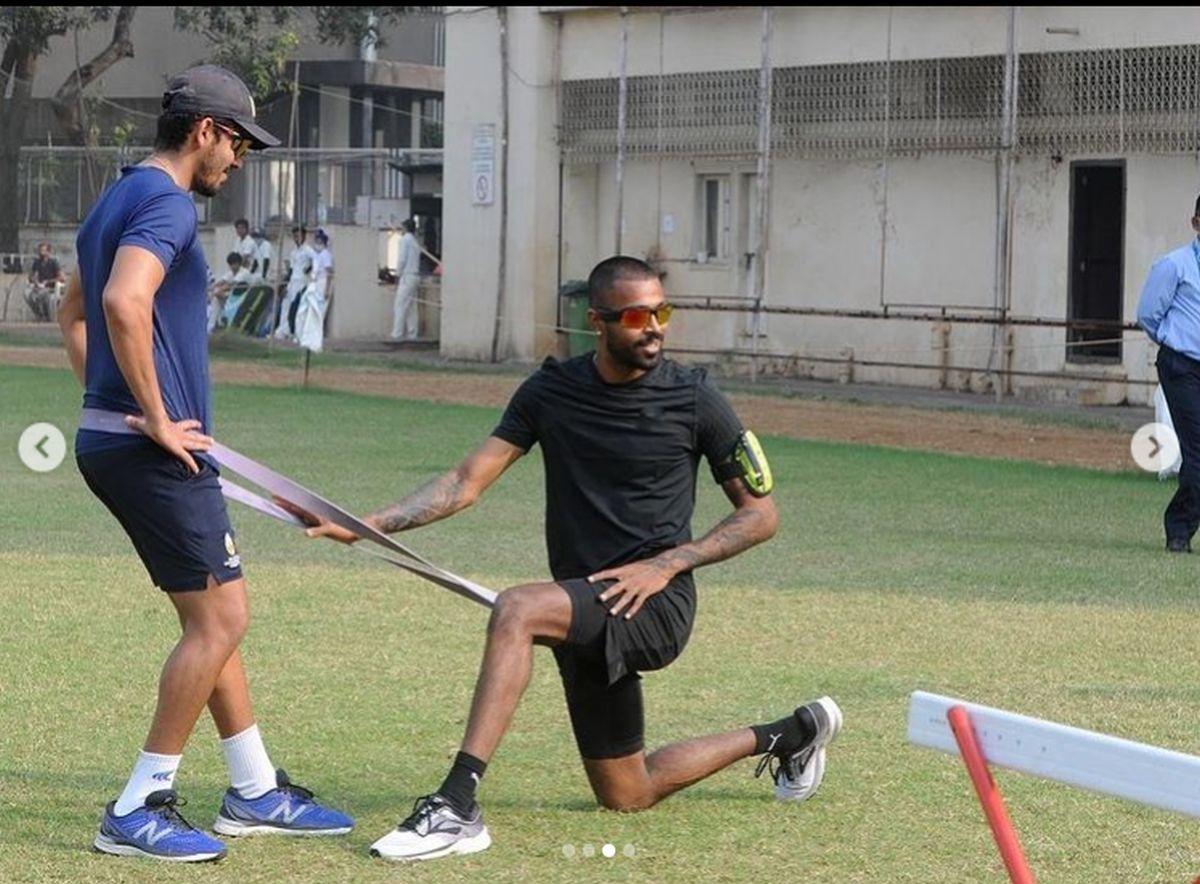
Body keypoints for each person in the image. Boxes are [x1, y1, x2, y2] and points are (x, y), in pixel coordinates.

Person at [295, 255, 842, 862]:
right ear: (598, 321)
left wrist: (667, 564)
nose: (655, 326)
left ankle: (456, 805)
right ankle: (791, 733)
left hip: (653, 605)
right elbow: (465, 481)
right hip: (583, 604)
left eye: (662, 311)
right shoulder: (552, 392)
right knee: (627, 793)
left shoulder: (695, 399)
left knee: (517, 610)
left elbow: (761, 514)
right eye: (637, 315)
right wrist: (370, 525)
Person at [55, 64, 353, 863]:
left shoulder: (117, 196)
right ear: (204, 132)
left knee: (212, 617)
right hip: (152, 450)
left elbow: (71, 313)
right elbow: (120, 303)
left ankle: (253, 790)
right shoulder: (164, 202)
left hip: (118, 441)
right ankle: (139, 804)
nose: (241, 160)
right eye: (239, 143)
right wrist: (151, 417)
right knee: (224, 619)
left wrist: (109, 401)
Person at [1137, 194, 1200, 553]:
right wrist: (1173, 340)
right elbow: (1148, 313)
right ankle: (1179, 528)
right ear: (1196, 224)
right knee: (1198, 449)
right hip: (1183, 366)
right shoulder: (1175, 265)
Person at [294, 228, 333, 352]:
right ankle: (304, 338)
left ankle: (315, 343)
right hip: (313, 284)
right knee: (305, 311)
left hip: (321, 285)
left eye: (320, 240)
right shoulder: (317, 255)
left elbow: (329, 273)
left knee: (317, 313)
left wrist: (327, 290)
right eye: (316, 240)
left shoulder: (326, 254)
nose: (317, 243)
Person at [276, 225, 314, 340]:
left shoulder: (308, 250)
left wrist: (309, 268)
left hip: (302, 282)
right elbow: (291, 270)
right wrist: (284, 283)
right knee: (285, 305)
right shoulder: (293, 252)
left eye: (298, 236)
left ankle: (297, 333)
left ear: (304, 236)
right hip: (292, 282)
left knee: (296, 308)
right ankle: (282, 331)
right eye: (294, 236)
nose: (296, 238)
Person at [390, 219, 421, 341]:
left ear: (406, 228)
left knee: (400, 305)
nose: (401, 230)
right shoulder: (415, 242)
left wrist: (397, 275)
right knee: (412, 307)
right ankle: (412, 334)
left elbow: (401, 259)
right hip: (415, 276)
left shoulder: (404, 240)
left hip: (407, 276)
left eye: (402, 228)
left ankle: (397, 334)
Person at [208, 251, 253, 334]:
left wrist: (218, 291)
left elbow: (231, 285)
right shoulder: (231, 273)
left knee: (217, 294)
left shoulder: (244, 272)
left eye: (234, 264)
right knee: (216, 298)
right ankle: (212, 325)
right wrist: (210, 288)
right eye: (230, 264)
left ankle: (219, 322)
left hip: (244, 299)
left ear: (239, 263)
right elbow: (221, 281)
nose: (232, 267)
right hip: (233, 298)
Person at [25, 241, 67, 321]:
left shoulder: (53, 263)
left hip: (49, 288)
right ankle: (39, 314)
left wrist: (48, 282)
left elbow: (62, 278)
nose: (41, 253)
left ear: (48, 252)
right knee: (27, 294)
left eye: (43, 251)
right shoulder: (37, 262)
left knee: (42, 295)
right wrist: (34, 280)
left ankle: (45, 316)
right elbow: (31, 276)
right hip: (37, 287)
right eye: (40, 251)